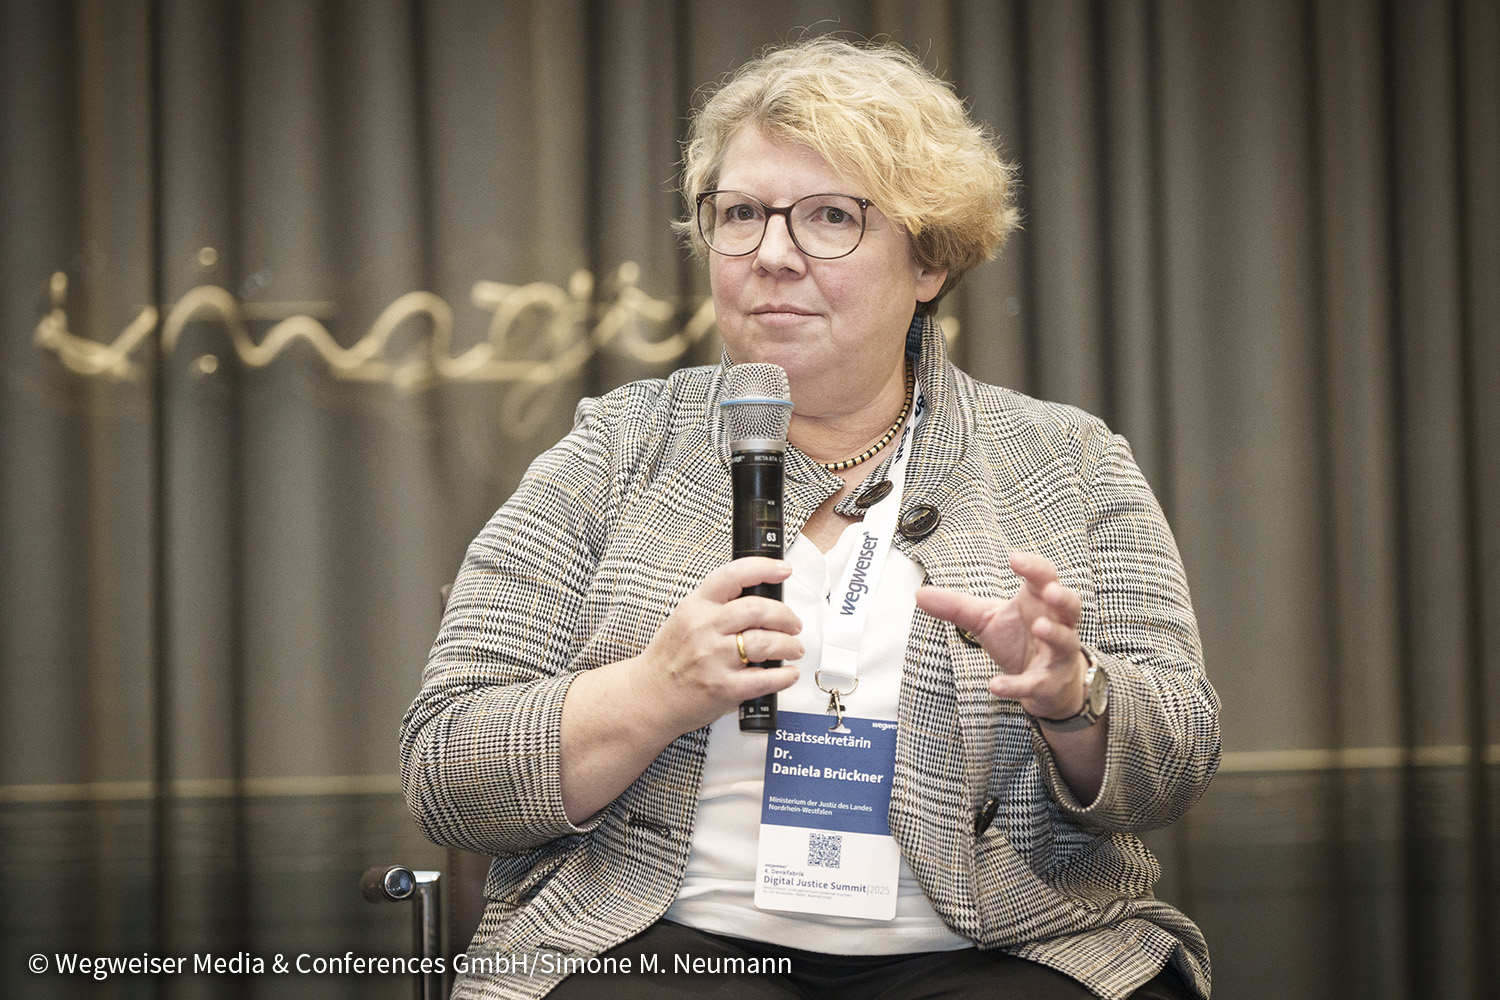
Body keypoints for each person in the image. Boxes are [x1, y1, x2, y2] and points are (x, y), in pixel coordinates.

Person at [401, 36, 1219, 1000]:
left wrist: (1073, 700)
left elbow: (1176, 762)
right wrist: (654, 692)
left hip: (1006, 946)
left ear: (929, 261)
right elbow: (446, 769)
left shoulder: (1066, 460)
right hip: (666, 942)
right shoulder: (615, 449)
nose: (773, 254)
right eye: (741, 214)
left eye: (831, 216)